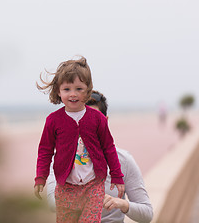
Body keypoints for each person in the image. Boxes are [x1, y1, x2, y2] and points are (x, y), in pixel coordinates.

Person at [34, 56, 124, 223]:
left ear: (88, 90)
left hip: (93, 186)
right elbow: (45, 150)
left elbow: (109, 147)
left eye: (79, 88)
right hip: (65, 187)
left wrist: (117, 176)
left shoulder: (98, 118)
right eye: (67, 89)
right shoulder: (53, 120)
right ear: (58, 92)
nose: (73, 94)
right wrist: (41, 176)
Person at [47, 91, 153, 223]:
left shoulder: (123, 160)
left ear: (105, 122)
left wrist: (121, 204)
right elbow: (52, 204)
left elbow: (147, 214)